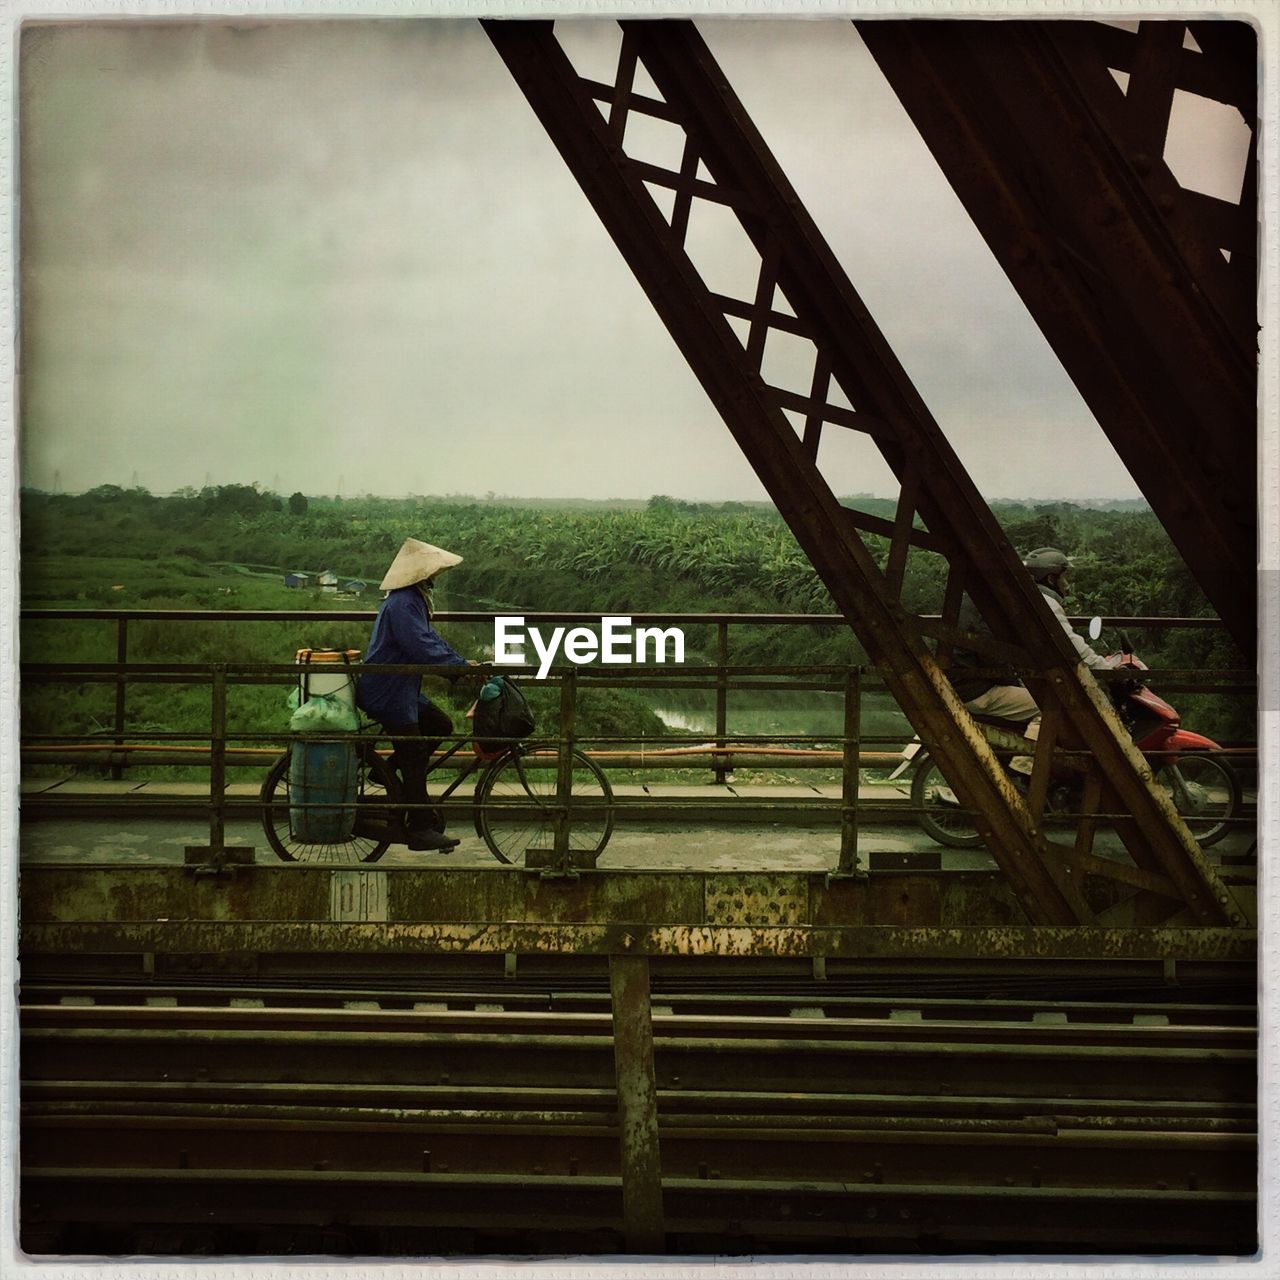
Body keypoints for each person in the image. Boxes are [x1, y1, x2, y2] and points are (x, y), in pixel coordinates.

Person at [356, 538, 477, 852]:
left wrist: (462, 663)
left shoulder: (410, 599)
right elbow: (420, 646)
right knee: (414, 754)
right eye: (432, 572)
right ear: (421, 574)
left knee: (440, 725)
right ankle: (420, 828)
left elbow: (429, 638)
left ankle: (386, 773)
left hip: (401, 687)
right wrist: (456, 668)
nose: (435, 578)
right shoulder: (404, 603)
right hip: (388, 691)